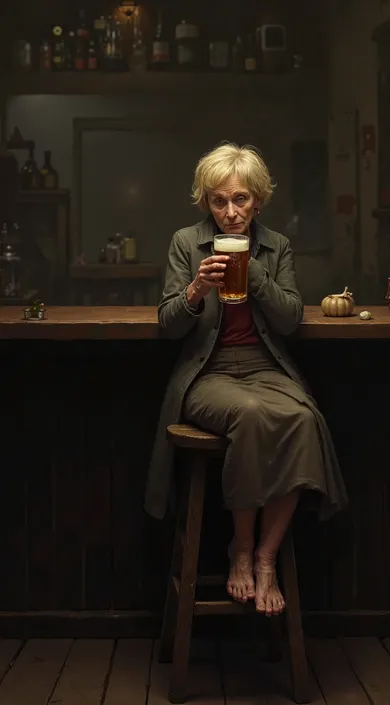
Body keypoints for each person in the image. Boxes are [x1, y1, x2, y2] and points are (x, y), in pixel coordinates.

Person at [145, 142, 348, 617]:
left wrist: (255, 274)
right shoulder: (185, 242)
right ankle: (240, 546)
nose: (231, 213)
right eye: (219, 201)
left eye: (241, 200)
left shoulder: (276, 246)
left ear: (258, 200)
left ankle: (265, 556)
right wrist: (195, 289)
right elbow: (168, 325)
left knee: (302, 416)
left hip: (265, 367)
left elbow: (290, 319)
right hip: (208, 372)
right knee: (252, 415)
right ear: (205, 203)